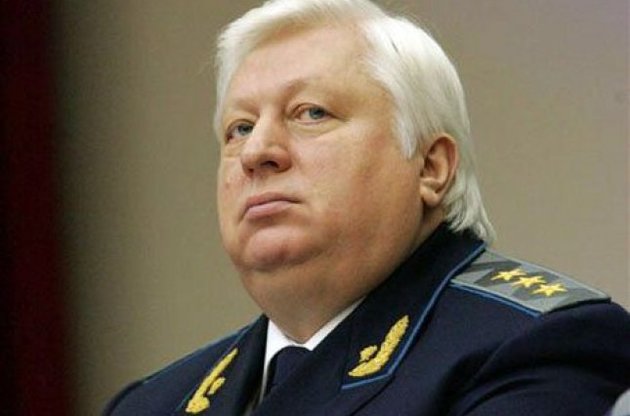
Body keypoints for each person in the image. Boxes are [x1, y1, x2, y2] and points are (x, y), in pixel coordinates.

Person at [104, 0, 630, 414]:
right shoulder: (152, 404)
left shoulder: (536, 345)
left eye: (311, 113)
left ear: (430, 167)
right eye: (240, 127)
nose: (256, 151)